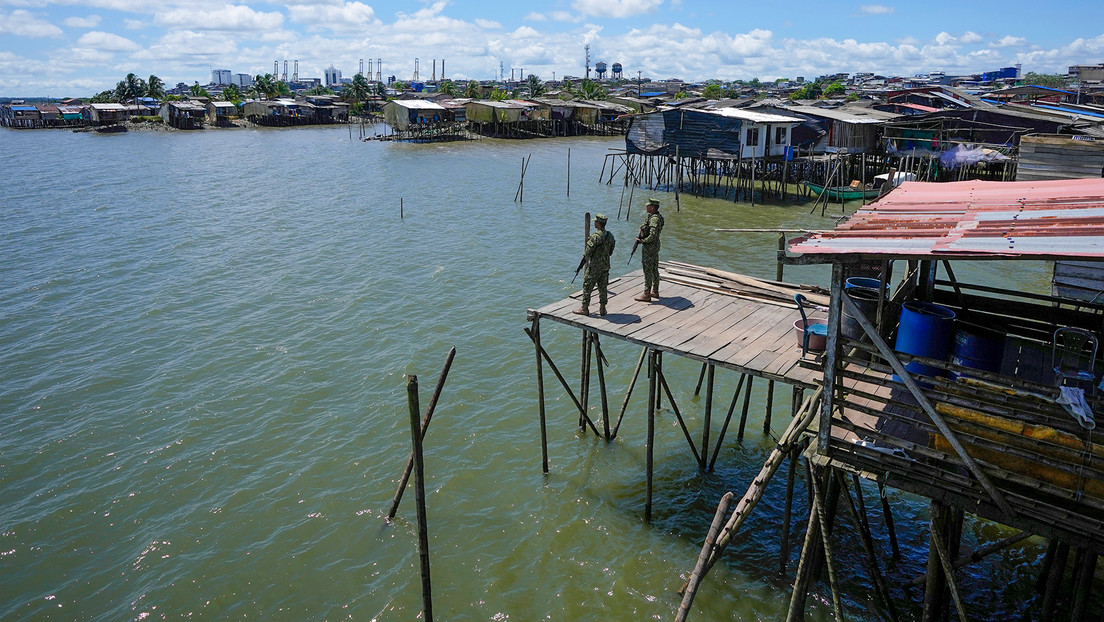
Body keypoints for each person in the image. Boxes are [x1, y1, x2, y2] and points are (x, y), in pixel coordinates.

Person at [573, 213, 616, 317]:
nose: (594, 223)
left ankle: (584, 308)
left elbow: (587, 254)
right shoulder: (610, 236)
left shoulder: (595, 237)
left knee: (587, 286)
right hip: (605, 265)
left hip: (595, 267)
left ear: (598, 223)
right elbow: (610, 252)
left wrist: (581, 264)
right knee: (603, 287)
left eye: (595, 222)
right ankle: (602, 308)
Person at [634, 198, 665, 302]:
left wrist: (643, 241)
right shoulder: (656, 217)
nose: (646, 207)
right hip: (654, 246)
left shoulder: (654, 219)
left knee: (648, 270)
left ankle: (646, 294)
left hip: (650, 247)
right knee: (654, 268)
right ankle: (655, 291)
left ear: (652, 207)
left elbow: (653, 235)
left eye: (648, 206)